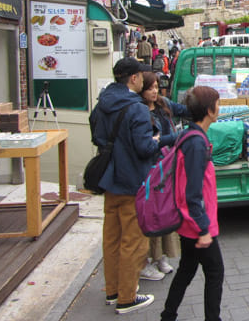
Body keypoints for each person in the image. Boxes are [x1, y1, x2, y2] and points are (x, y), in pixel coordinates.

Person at [90, 57, 161, 314]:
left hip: (109, 179)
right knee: (133, 241)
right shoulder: (137, 108)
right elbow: (144, 148)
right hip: (132, 181)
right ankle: (127, 297)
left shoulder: (102, 103)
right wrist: (158, 139)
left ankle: (112, 291)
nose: (144, 81)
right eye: (142, 76)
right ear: (133, 78)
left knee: (111, 238)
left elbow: (96, 135)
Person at [161, 86, 224, 321]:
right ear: (209, 110)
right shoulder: (197, 143)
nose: (220, 107)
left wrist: (158, 139)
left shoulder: (190, 134)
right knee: (215, 273)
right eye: (217, 103)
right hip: (198, 223)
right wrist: (204, 229)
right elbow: (193, 192)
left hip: (188, 222)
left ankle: (168, 315)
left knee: (186, 271)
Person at [139, 72, 190, 280]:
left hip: (167, 164)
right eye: (150, 87)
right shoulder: (139, 111)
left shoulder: (163, 104)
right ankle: (147, 260)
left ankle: (161, 257)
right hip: (151, 167)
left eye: (156, 87)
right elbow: (151, 143)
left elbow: (184, 110)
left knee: (165, 211)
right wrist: (173, 137)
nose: (154, 91)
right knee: (152, 212)